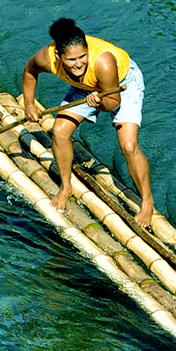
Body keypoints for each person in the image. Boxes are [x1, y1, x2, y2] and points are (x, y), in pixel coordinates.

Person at [22, 18, 154, 228]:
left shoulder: (103, 62)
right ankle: (66, 187)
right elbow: (30, 71)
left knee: (129, 146)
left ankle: (147, 202)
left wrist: (99, 102)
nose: (78, 63)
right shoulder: (46, 58)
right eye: (72, 60)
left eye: (82, 56)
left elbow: (113, 102)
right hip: (85, 86)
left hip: (121, 85)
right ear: (58, 56)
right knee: (59, 132)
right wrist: (29, 104)